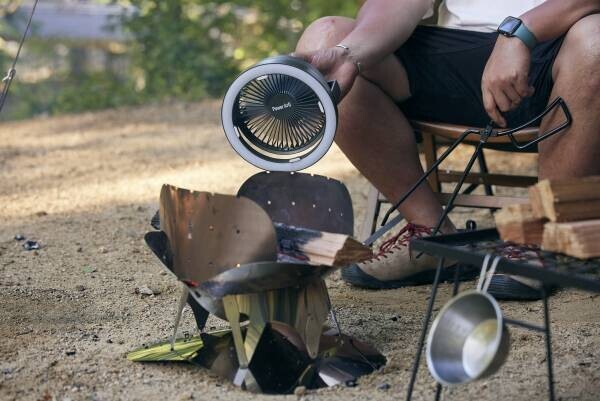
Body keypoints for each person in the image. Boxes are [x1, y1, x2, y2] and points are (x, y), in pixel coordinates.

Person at [293, 0, 600, 290]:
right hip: (453, 57)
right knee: (326, 38)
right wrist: (350, 54)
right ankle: (433, 234)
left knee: (595, 38)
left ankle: (545, 238)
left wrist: (520, 31)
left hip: (562, 58)